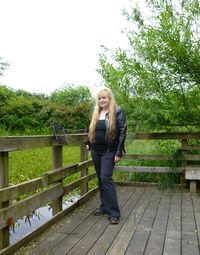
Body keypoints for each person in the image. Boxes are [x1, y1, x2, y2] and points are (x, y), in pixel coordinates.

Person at [88, 87, 127, 224]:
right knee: (100, 179)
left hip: (109, 151)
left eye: (104, 97)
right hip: (95, 150)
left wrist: (119, 151)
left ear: (109, 98)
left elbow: (122, 131)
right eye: (99, 98)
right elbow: (92, 130)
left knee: (106, 178)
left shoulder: (117, 111)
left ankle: (114, 213)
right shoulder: (96, 113)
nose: (101, 100)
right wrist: (89, 143)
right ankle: (104, 206)